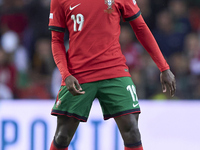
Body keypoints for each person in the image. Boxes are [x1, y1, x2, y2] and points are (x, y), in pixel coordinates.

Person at [48, 0, 176, 150]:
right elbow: (56, 40)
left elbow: (140, 27)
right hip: (78, 74)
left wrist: (164, 67)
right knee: (62, 135)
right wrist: (66, 74)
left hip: (114, 70)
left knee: (132, 131)